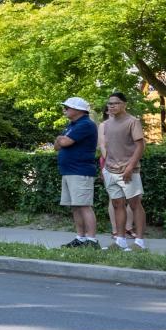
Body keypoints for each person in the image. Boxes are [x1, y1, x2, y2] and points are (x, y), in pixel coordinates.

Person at [100, 93, 145, 250]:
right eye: (109, 103)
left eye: (115, 103)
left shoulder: (133, 122)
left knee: (135, 204)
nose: (111, 106)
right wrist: (105, 168)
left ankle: (139, 242)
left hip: (128, 171)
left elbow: (140, 146)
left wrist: (130, 167)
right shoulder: (106, 124)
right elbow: (106, 148)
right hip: (110, 170)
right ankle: (120, 240)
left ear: (124, 104)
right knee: (117, 204)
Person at [56, 97, 100, 249]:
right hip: (69, 171)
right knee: (75, 206)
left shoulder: (86, 124)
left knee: (84, 206)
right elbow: (57, 145)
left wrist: (62, 140)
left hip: (80, 170)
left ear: (78, 110)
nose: (64, 110)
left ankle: (92, 240)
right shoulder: (71, 125)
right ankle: (80, 238)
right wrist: (61, 139)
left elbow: (65, 142)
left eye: (67, 107)